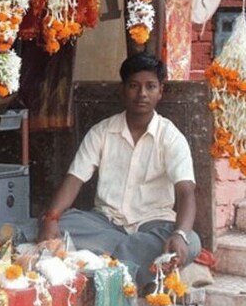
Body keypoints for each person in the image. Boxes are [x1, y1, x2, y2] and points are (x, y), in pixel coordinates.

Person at [35, 52, 201, 288]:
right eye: (134, 86)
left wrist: (180, 235)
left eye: (150, 86)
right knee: (57, 223)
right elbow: (74, 178)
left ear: (160, 92)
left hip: (152, 226)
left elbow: (186, 192)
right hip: (105, 223)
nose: (142, 94)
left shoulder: (171, 137)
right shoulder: (101, 132)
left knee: (191, 241)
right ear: (122, 90)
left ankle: (100, 263)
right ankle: (131, 269)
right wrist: (51, 218)